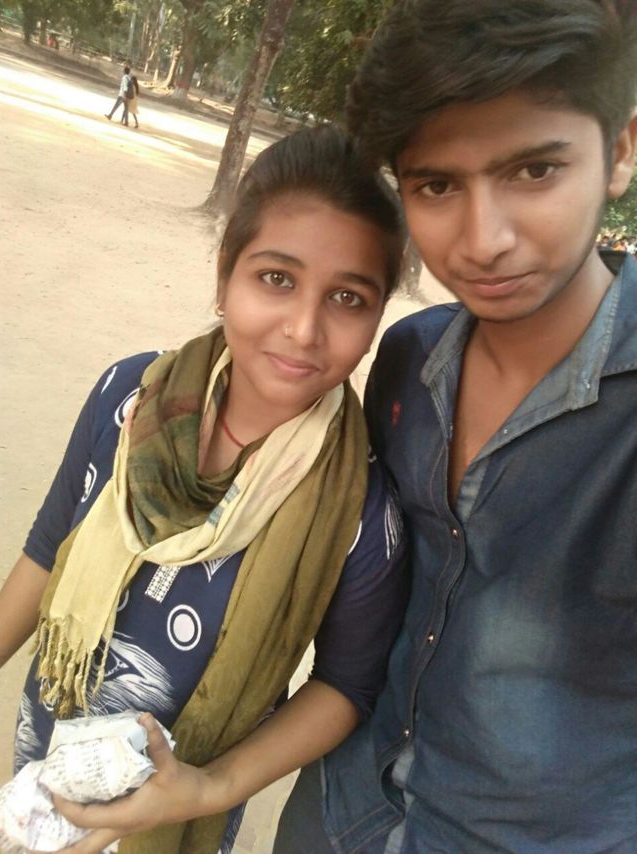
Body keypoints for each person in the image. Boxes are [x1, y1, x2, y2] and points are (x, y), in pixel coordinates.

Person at [272, 1, 637, 851]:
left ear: (619, 151)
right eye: (437, 186)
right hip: (338, 814)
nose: (484, 240)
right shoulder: (409, 358)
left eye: (535, 171)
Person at [0, 125, 409, 853]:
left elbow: (346, 687)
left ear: (377, 319)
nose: (304, 328)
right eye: (276, 279)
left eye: (347, 298)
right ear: (225, 279)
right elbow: (47, 548)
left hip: (180, 808)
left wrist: (210, 787)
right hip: (49, 763)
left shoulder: (359, 514)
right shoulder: (128, 398)